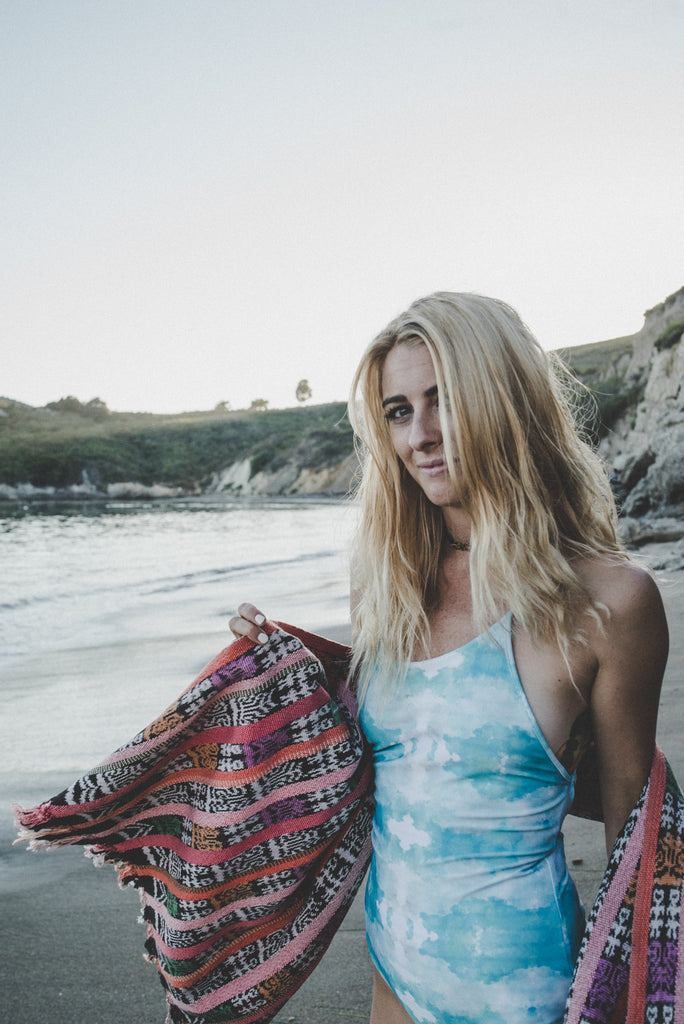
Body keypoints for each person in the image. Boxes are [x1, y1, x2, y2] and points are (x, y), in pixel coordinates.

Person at [229, 292, 668, 1024]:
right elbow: (396, 764)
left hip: (526, 994)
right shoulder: (388, 585)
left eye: (444, 401)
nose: (421, 435)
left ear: (504, 401)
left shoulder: (610, 602)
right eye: (398, 411)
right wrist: (274, 674)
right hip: (395, 977)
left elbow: (636, 838)